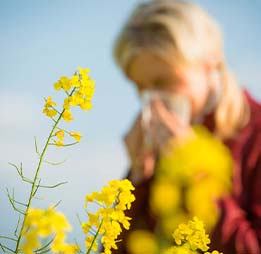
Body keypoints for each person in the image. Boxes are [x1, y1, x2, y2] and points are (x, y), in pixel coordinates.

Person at [113, 0, 261, 253]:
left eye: (164, 81)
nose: (153, 100)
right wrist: (137, 180)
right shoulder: (158, 144)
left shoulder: (255, 136)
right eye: (140, 87)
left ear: (209, 63)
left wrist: (195, 175)